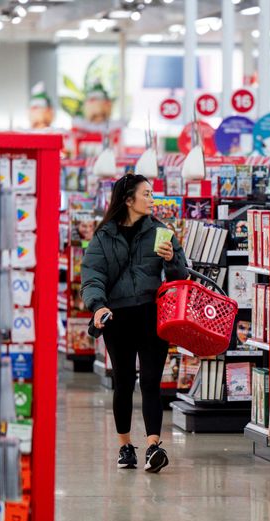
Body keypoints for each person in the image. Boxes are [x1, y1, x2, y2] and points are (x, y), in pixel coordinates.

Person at [81, 173, 188, 473]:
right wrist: (98, 306)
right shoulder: (104, 236)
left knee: (152, 381)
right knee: (124, 382)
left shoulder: (160, 232)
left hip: (151, 316)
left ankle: (154, 446)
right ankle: (125, 446)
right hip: (117, 318)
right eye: (147, 194)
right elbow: (92, 276)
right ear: (128, 200)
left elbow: (180, 276)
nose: (152, 199)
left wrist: (171, 261)